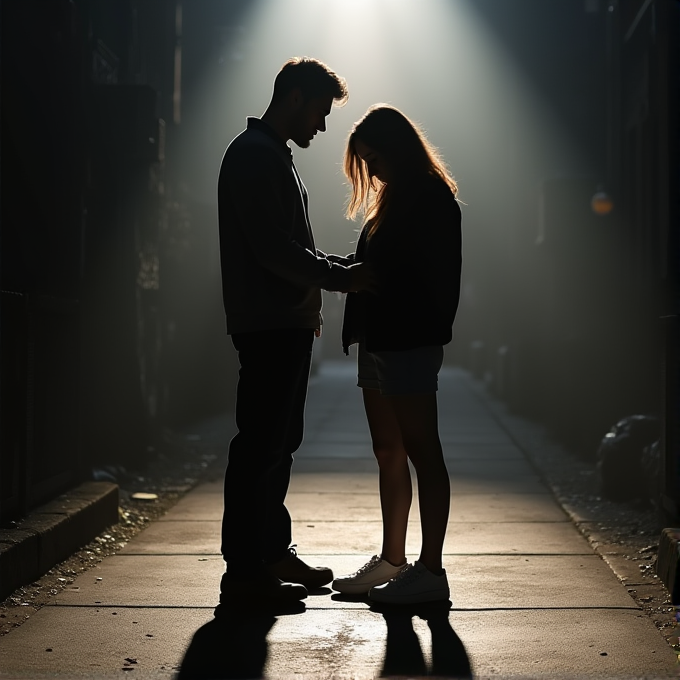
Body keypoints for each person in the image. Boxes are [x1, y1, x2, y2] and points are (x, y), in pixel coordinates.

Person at [216, 57, 374, 609]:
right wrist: (340, 276)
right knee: (261, 445)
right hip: (270, 322)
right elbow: (274, 251)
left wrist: (335, 270)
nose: (323, 125)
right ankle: (244, 573)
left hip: (283, 321)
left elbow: (286, 248)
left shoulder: (268, 155)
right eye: (320, 111)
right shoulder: (257, 157)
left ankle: (270, 553)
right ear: (294, 96)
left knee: (277, 444)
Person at [331, 104, 462, 604]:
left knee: (423, 451)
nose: (370, 170)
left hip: (407, 338)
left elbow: (428, 276)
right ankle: (393, 559)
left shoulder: (429, 196)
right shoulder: (395, 198)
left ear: (397, 148)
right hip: (380, 338)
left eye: (373, 157)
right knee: (389, 451)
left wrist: (364, 277)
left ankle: (431, 569)